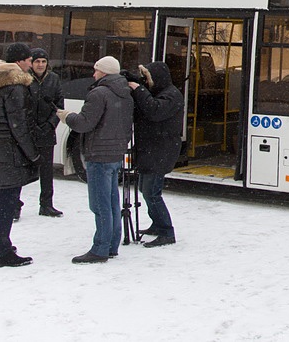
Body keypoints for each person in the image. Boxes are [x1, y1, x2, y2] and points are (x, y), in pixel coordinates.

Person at [59, 56, 134, 264]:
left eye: (96, 70)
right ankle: (111, 245)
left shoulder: (99, 93)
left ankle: (100, 249)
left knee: (100, 204)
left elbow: (84, 123)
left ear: (104, 72)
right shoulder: (126, 93)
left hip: (98, 155)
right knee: (111, 202)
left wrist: (65, 116)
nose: (93, 74)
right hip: (115, 154)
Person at [0, 43, 39, 268]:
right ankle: (1, 251)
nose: (31, 64)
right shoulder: (15, 86)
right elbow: (18, 125)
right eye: (29, 60)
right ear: (19, 61)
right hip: (9, 151)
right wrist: (33, 154)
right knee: (8, 200)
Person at [127, 62, 184, 248]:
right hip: (153, 150)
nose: (146, 82)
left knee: (152, 193)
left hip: (161, 151)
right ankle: (157, 224)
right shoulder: (161, 91)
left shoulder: (171, 95)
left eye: (148, 78)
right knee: (145, 189)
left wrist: (138, 89)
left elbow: (154, 110)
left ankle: (167, 231)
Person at [29, 48, 64, 217]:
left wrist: (50, 125)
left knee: (47, 172)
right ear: (31, 63)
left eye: (43, 61)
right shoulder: (25, 79)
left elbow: (59, 105)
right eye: (37, 61)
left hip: (47, 132)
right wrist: (32, 127)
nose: (41, 65)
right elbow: (20, 107)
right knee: (21, 171)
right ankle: (15, 206)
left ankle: (46, 205)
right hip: (27, 134)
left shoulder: (53, 79)